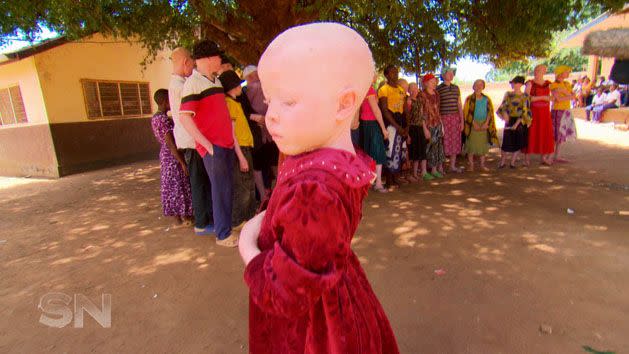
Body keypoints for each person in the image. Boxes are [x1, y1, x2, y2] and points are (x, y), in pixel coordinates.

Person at [238, 22, 399, 354]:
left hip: (315, 325)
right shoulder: (321, 157)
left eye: (289, 102)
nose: (272, 117)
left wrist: (247, 244)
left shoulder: (317, 190)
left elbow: (285, 291)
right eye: (270, 101)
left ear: (343, 105)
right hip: (333, 291)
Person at [179, 39, 239, 248]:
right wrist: (207, 145)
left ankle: (225, 228)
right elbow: (185, 117)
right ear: (206, 59)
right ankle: (223, 235)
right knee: (220, 190)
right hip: (214, 148)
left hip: (226, 145)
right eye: (217, 56)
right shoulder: (193, 83)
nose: (220, 60)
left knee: (226, 189)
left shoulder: (216, 81)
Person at [169, 47, 216, 236]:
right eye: (192, 62)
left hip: (192, 140)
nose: (193, 66)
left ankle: (205, 218)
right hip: (192, 141)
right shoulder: (181, 86)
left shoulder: (177, 84)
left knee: (201, 182)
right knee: (199, 183)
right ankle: (202, 222)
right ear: (185, 62)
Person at [219, 70, 257, 230]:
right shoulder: (228, 105)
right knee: (242, 187)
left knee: (249, 185)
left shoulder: (235, 103)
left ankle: (248, 218)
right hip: (239, 150)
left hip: (245, 147)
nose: (240, 87)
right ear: (232, 86)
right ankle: (238, 221)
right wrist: (240, 157)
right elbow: (232, 133)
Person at [150, 89, 193, 225]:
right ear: (164, 101)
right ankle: (185, 217)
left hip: (165, 154)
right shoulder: (163, 119)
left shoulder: (156, 118)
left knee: (171, 186)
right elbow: (170, 142)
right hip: (172, 155)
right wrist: (181, 162)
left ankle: (178, 219)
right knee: (178, 185)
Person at [243, 65, 278, 201]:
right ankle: (272, 192)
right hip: (265, 132)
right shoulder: (261, 87)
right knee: (272, 162)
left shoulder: (252, 89)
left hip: (262, 133)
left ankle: (265, 195)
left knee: (261, 164)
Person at [378, 65, 408, 188]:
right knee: (390, 150)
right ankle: (389, 180)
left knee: (399, 150)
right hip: (390, 123)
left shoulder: (401, 89)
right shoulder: (384, 89)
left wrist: (406, 126)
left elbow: (405, 108)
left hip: (401, 122)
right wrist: (397, 127)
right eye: (392, 72)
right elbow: (384, 110)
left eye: (396, 72)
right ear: (386, 75)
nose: (395, 75)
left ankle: (396, 177)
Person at [359, 74, 389, 192]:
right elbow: (376, 110)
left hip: (365, 124)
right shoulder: (370, 90)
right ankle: (378, 183)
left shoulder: (362, 90)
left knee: (368, 154)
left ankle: (370, 182)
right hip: (372, 124)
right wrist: (383, 128)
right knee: (378, 153)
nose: (376, 76)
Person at [463, 79, 498, 172]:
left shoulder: (487, 99)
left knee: (483, 147)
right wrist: (474, 124)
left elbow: (490, 112)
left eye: (481, 85)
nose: (479, 86)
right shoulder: (469, 99)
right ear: (473, 87)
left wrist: (486, 124)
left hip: (484, 124)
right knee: (471, 146)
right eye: (477, 85)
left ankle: (482, 165)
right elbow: (466, 113)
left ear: (483, 87)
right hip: (472, 125)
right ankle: (471, 166)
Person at [497, 76, 531, 169]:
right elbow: (503, 106)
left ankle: (512, 162)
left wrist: (517, 124)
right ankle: (502, 162)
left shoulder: (525, 96)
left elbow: (525, 111)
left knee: (518, 142)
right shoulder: (508, 94)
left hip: (519, 121)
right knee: (506, 142)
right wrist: (504, 116)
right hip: (509, 119)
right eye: (512, 83)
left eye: (514, 83)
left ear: (520, 84)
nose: (512, 84)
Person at [524, 64, 554, 166]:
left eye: (540, 70)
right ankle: (527, 158)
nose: (537, 71)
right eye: (536, 69)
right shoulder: (530, 83)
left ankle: (544, 157)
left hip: (545, 112)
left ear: (544, 71)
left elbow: (553, 97)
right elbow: (527, 97)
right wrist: (543, 98)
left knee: (545, 132)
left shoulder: (548, 83)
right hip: (533, 111)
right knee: (531, 132)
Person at [437, 66, 464, 173]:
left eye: (452, 73)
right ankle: (441, 167)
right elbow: (437, 106)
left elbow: (459, 104)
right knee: (444, 142)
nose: (451, 75)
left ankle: (452, 166)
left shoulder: (456, 88)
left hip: (455, 118)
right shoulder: (438, 89)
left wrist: (462, 120)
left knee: (455, 142)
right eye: (449, 73)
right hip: (444, 118)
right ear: (443, 75)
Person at [549, 65, 577, 163]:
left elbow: (574, 96)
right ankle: (550, 156)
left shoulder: (566, 84)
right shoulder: (554, 85)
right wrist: (568, 95)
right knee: (555, 133)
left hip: (565, 110)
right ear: (561, 73)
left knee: (561, 134)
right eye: (567, 72)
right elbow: (558, 99)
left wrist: (565, 92)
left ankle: (557, 155)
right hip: (557, 110)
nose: (568, 73)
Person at [422, 73, 445, 179]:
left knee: (437, 147)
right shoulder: (422, 95)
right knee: (428, 147)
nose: (434, 83)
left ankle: (434, 169)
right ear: (426, 83)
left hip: (437, 122)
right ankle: (424, 171)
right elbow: (421, 113)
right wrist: (424, 127)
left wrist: (442, 124)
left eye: (435, 81)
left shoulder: (436, 94)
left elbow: (438, 110)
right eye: (432, 81)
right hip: (427, 124)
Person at [407, 81, 429, 181]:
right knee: (414, 152)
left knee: (421, 150)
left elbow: (422, 116)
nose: (414, 91)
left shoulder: (420, 101)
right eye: (412, 89)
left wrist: (425, 128)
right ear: (409, 90)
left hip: (420, 127)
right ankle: (413, 173)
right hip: (412, 128)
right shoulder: (408, 101)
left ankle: (417, 172)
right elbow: (407, 117)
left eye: (416, 89)